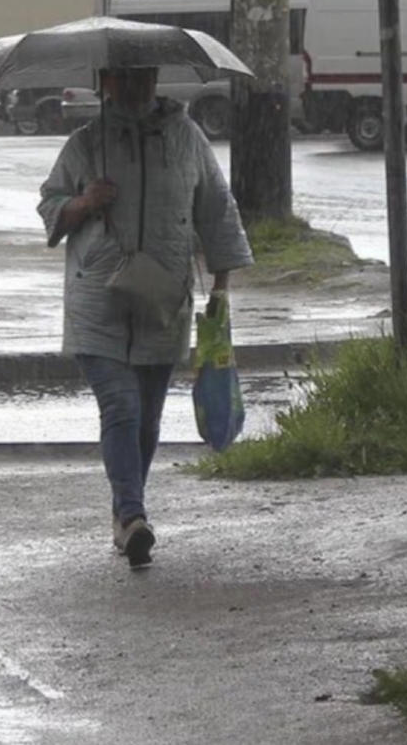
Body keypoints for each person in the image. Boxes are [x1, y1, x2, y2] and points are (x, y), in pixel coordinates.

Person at [37, 66, 253, 569]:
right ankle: (133, 514)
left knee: (148, 419)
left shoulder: (186, 138)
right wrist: (83, 202)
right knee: (121, 407)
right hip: (98, 301)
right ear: (104, 83)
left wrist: (221, 288)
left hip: (162, 303)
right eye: (123, 79)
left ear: (156, 79)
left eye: (143, 78)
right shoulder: (85, 144)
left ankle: (123, 514)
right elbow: (50, 204)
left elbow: (218, 210)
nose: (135, 88)